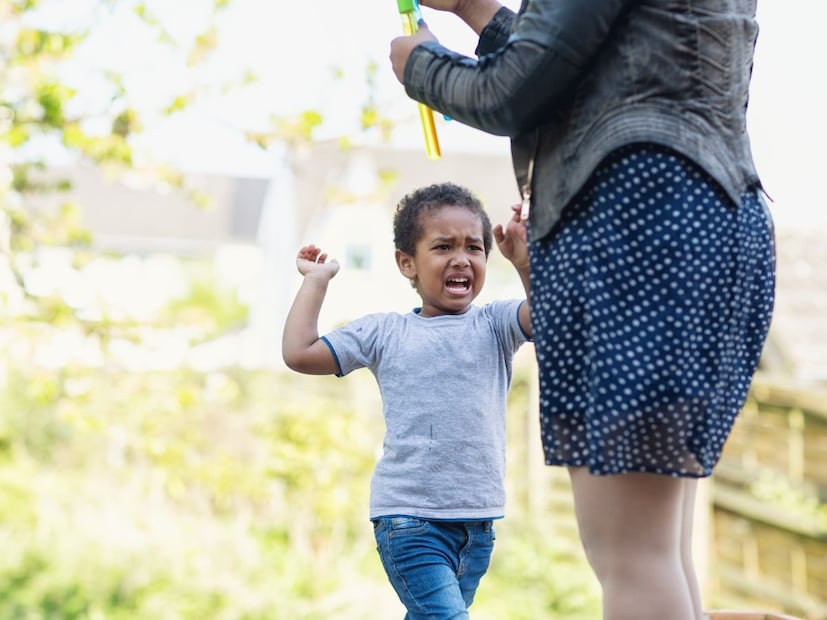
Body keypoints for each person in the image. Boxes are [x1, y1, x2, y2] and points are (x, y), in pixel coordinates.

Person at [389, 2, 776, 620]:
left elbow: (515, 90)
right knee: (660, 546)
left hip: (635, 224)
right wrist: (474, 10)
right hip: (713, 216)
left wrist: (421, 67)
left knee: (632, 556)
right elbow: (598, 66)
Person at [281, 182, 532, 619]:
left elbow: (554, 314)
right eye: (443, 246)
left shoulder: (496, 325)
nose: (461, 258)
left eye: (474, 247)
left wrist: (527, 262)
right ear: (406, 263)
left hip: (477, 523)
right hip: (410, 521)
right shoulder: (384, 332)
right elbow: (300, 353)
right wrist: (316, 281)